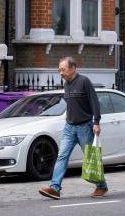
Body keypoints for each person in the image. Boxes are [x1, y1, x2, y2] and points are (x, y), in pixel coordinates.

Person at [38, 57, 108, 200]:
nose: (61, 73)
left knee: (90, 159)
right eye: (59, 70)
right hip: (69, 127)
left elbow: (94, 102)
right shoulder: (66, 85)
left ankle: (101, 186)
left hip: (85, 126)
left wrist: (96, 122)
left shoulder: (84, 82)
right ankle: (55, 188)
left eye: (63, 70)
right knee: (62, 156)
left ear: (73, 68)